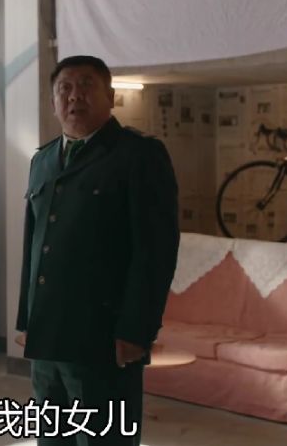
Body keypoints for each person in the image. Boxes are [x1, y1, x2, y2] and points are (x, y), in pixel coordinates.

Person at [16, 55, 179, 445]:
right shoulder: (43, 160)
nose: (75, 96)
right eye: (65, 88)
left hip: (103, 338)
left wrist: (137, 330)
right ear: (53, 102)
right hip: (48, 338)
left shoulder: (138, 156)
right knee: (51, 439)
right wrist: (27, 320)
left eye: (86, 85)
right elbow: (34, 246)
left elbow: (155, 252)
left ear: (110, 96)